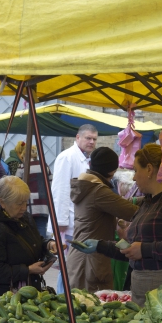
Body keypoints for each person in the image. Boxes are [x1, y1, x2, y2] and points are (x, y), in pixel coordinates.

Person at [78, 144, 162, 306]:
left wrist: (145, 249)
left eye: (136, 170)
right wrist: (100, 246)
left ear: (150, 169)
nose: (134, 177)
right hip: (148, 290)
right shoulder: (149, 202)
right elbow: (133, 249)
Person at [0, 176, 60, 301]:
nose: (24, 207)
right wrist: (28, 270)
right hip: (4, 300)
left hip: (27, 292)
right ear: (3, 202)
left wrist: (48, 244)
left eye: (26, 202)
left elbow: (30, 241)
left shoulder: (22, 217)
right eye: (19, 203)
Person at [67, 148, 138, 292]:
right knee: (91, 307)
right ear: (112, 171)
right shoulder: (98, 191)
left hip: (81, 258)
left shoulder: (86, 185)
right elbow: (132, 211)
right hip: (90, 261)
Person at [50, 124, 99, 292]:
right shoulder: (67, 157)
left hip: (77, 222)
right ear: (77, 138)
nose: (91, 142)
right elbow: (60, 191)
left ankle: (68, 299)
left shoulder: (84, 159)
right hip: (68, 223)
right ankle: (62, 300)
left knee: (75, 267)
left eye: (94, 139)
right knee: (68, 267)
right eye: (88, 138)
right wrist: (61, 223)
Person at [16, 143, 52, 238]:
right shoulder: (45, 165)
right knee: (41, 227)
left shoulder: (22, 167)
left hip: (27, 204)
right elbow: (51, 183)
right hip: (43, 203)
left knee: (27, 229)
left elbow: (16, 185)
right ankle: (43, 250)